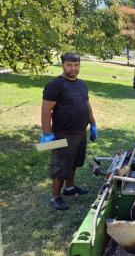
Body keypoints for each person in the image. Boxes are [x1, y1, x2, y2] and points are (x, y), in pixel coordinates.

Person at [40, 53, 97, 210]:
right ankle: (55, 197)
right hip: (63, 133)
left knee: (74, 163)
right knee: (60, 166)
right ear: (63, 65)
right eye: (69, 65)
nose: (73, 68)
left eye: (76, 65)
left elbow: (87, 104)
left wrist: (93, 123)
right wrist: (46, 134)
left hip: (80, 132)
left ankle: (69, 188)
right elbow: (46, 111)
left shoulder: (81, 84)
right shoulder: (55, 85)